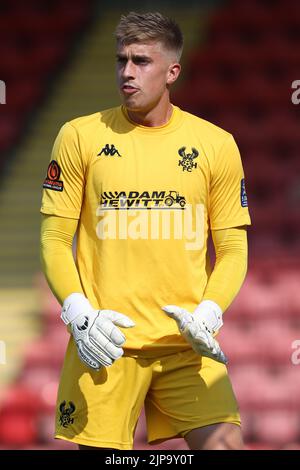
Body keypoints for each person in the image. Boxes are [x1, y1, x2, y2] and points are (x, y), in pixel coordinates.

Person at [40, 11, 251, 450]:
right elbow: (55, 238)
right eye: (121, 60)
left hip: (185, 345)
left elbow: (232, 248)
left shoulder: (216, 144)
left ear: (173, 71)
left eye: (141, 61)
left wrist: (210, 313)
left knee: (226, 446)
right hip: (105, 343)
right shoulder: (79, 136)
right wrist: (78, 315)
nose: (127, 72)